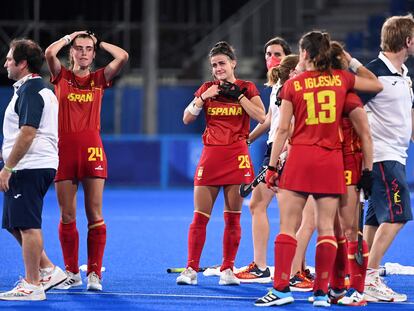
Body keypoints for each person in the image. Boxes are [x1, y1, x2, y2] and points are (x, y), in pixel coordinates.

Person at [254, 30, 382, 307]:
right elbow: (376, 86)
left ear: (305, 53)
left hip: (300, 157)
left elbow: (283, 128)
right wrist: (351, 61)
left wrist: (273, 166)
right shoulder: (342, 80)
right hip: (331, 160)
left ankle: (281, 289)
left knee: (288, 226)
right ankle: (323, 293)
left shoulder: (293, 85)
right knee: (327, 229)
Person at [176, 41, 266, 286]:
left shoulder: (247, 87)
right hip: (211, 156)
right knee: (199, 217)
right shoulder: (207, 88)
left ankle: (227, 269)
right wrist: (202, 98)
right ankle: (191, 269)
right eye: (214, 65)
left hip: (237, 156)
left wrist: (239, 97)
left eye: (222, 63)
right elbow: (186, 118)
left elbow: (261, 116)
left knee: (233, 218)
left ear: (233, 63)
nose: (218, 68)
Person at [44, 30, 129, 291]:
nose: (83, 52)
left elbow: (123, 56)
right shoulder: (61, 76)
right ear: (71, 52)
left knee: (95, 213)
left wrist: (99, 41)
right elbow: (49, 52)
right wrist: (70, 37)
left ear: (93, 53)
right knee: (67, 215)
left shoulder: (99, 79)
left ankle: (94, 274)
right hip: (64, 151)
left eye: (88, 49)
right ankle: (72, 272)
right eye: (79, 48)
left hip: (92, 151)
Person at [0, 39, 67, 301]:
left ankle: (33, 284)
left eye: (9, 59)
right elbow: (21, 132)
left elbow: (28, 133)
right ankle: (48, 270)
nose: (5, 63)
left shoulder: (31, 90)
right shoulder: (37, 89)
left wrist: (8, 167)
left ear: (22, 63)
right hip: (34, 164)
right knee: (14, 223)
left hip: (29, 166)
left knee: (27, 225)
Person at [361, 14, 414, 302]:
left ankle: (361, 274)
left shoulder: (404, 75)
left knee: (374, 219)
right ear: (407, 41)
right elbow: (351, 112)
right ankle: (369, 278)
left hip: (396, 156)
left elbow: (410, 120)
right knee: (397, 216)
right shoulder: (372, 75)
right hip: (382, 157)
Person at [235, 37, 293, 283]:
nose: (271, 59)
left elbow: (291, 123)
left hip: (284, 152)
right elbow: (270, 119)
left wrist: (283, 152)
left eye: (277, 54)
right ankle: (263, 266)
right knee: (257, 205)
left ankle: (293, 270)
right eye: (268, 54)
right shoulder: (277, 84)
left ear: (288, 58)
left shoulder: (291, 83)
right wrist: (247, 139)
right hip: (274, 148)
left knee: (289, 213)